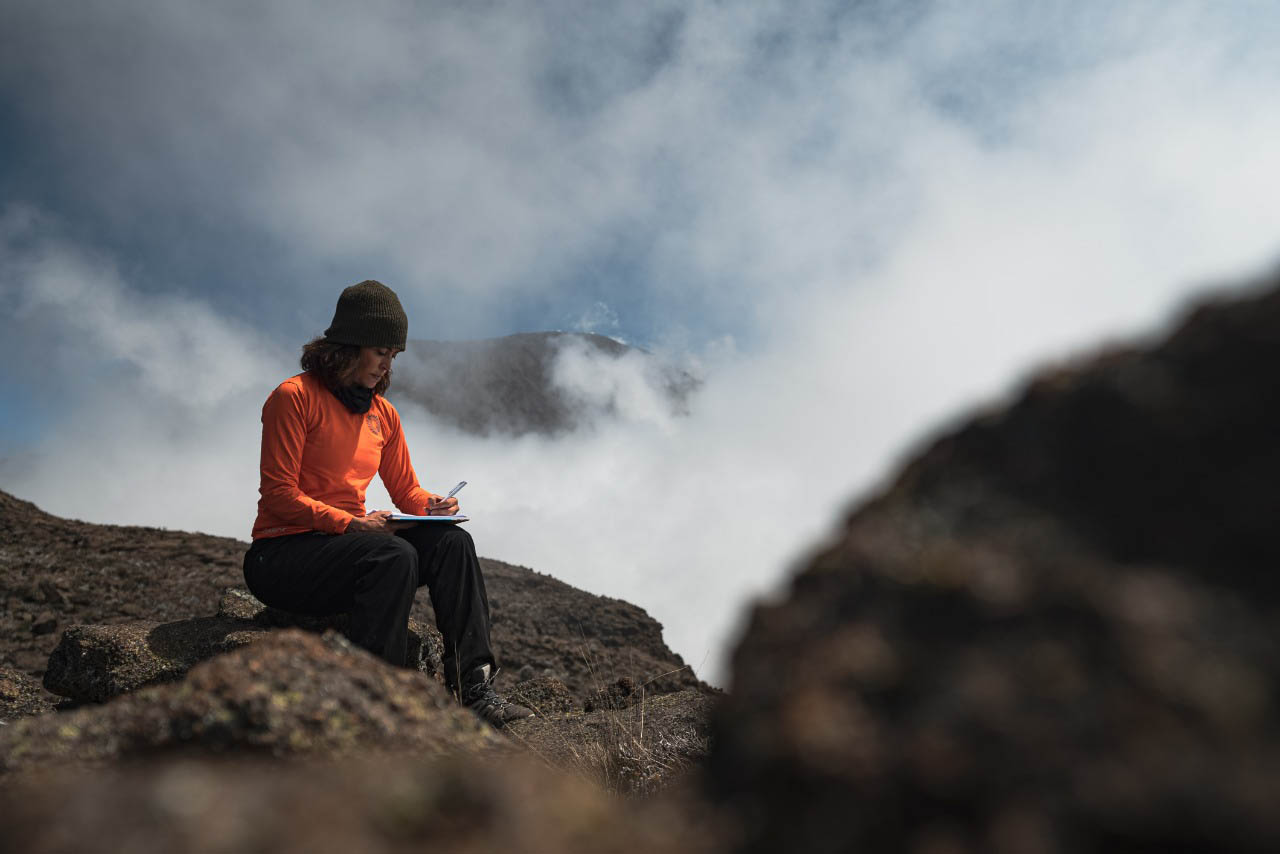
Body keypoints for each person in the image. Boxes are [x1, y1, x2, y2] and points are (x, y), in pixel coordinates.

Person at [242, 279, 533, 727]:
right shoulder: (293, 398)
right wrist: (352, 524)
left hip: (348, 550)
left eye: (393, 356)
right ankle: (381, 704)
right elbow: (279, 496)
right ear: (348, 343)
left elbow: (406, 492)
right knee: (391, 554)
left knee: (453, 542)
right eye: (380, 351)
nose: (386, 364)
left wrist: (434, 504)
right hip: (282, 556)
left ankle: (473, 688)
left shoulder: (383, 414)